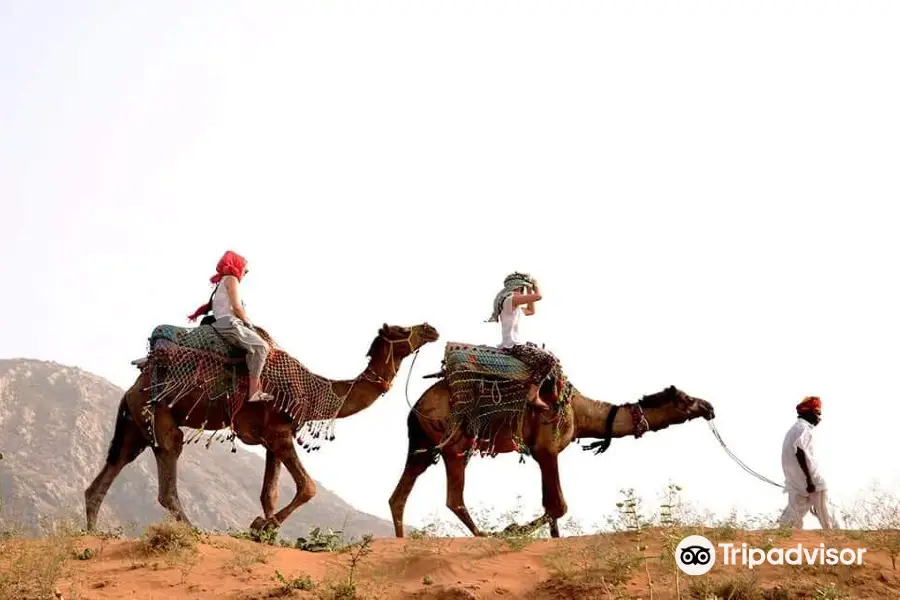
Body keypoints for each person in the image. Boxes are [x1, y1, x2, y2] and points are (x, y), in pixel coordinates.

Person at [187, 250, 274, 403]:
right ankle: (254, 392)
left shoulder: (223, 281)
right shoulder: (231, 278)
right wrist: (248, 322)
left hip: (225, 322)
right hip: (229, 323)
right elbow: (236, 307)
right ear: (237, 265)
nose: (245, 272)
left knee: (253, 349)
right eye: (244, 268)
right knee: (262, 347)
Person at [487, 272, 554, 411]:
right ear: (517, 287)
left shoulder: (513, 304)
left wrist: (529, 288)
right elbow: (538, 297)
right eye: (522, 289)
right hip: (513, 346)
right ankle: (533, 394)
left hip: (514, 345)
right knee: (549, 360)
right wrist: (535, 285)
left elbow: (531, 310)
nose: (523, 292)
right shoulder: (510, 300)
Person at [777, 395, 833, 529]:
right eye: (817, 413)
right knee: (825, 514)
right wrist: (809, 480)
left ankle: (780, 541)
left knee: (791, 518)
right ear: (808, 413)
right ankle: (836, 541)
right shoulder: (803, 429)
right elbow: (800, 452)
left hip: (797, 483)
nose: (819, 418)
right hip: (811, 480)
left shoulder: (794, 429)